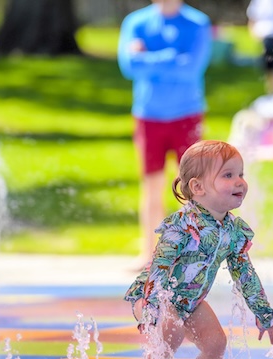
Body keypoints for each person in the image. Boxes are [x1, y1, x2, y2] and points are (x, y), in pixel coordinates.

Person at [124, 140, 273, 359]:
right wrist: (152, 308)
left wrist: (264, 313)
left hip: (191, 301)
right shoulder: (182, 224)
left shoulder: (233, 230)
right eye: (228, 175)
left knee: (215, 343)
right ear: (198, 187)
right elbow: (160, 266)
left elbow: (244, 273)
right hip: (154, 294)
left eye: (241, 174)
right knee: (172, 330)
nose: (239, 182)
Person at [117, 0, 212, 269]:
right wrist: (171, 57)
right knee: (151, 185)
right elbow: (128, 66)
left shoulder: (198, 23)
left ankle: (195, 249)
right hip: (149, 116)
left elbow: (191, 68)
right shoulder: (136, 22)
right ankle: (149, 252)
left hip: (187, 114)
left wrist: (149, 58)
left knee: (193, 186)